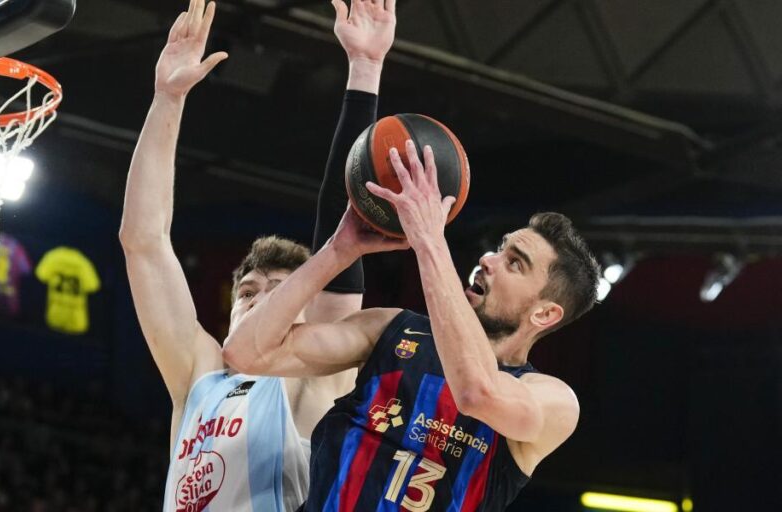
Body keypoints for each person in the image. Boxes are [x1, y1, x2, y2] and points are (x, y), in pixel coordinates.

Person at [118, 0, 397, 509]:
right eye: (249, 291)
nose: (261, 299)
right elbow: (144, 242)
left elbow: (343, 213)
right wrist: (167, 97)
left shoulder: (317, 377)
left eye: (279, 290)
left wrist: (366, 69)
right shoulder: (198, 371)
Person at [223, 144, 601, 510]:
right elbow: (248, 353)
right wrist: (338, 250)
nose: (489, 259)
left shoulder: (551, 400)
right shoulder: (393, 329)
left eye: (515, 263)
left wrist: (430, 241)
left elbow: (476, 392)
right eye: (500, 248)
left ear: (544, 314)